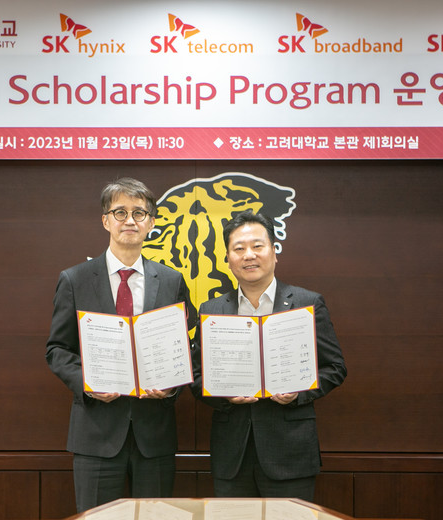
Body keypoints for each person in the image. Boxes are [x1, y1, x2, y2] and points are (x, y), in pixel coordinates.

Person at [46, 178, 196, 512]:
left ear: (151, 222)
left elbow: (187, 346)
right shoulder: (75, 279)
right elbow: (57, 350)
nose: (130, 220)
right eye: (120, 212)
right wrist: (88, 383)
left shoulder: (171, 281)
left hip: (155, 434)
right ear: (105, 220)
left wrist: (172, 385)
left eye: (139, 213)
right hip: (96, 433)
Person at [191, 209, 347, 501]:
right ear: (228, 259)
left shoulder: (306, 303)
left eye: (257, 246)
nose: (249, 255)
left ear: (274, 252)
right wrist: (223, 395)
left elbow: (335, 367)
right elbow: (196, 376)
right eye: (239, 249)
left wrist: (299, 393)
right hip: (231, 456)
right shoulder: (212, 310)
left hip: (290, 452)